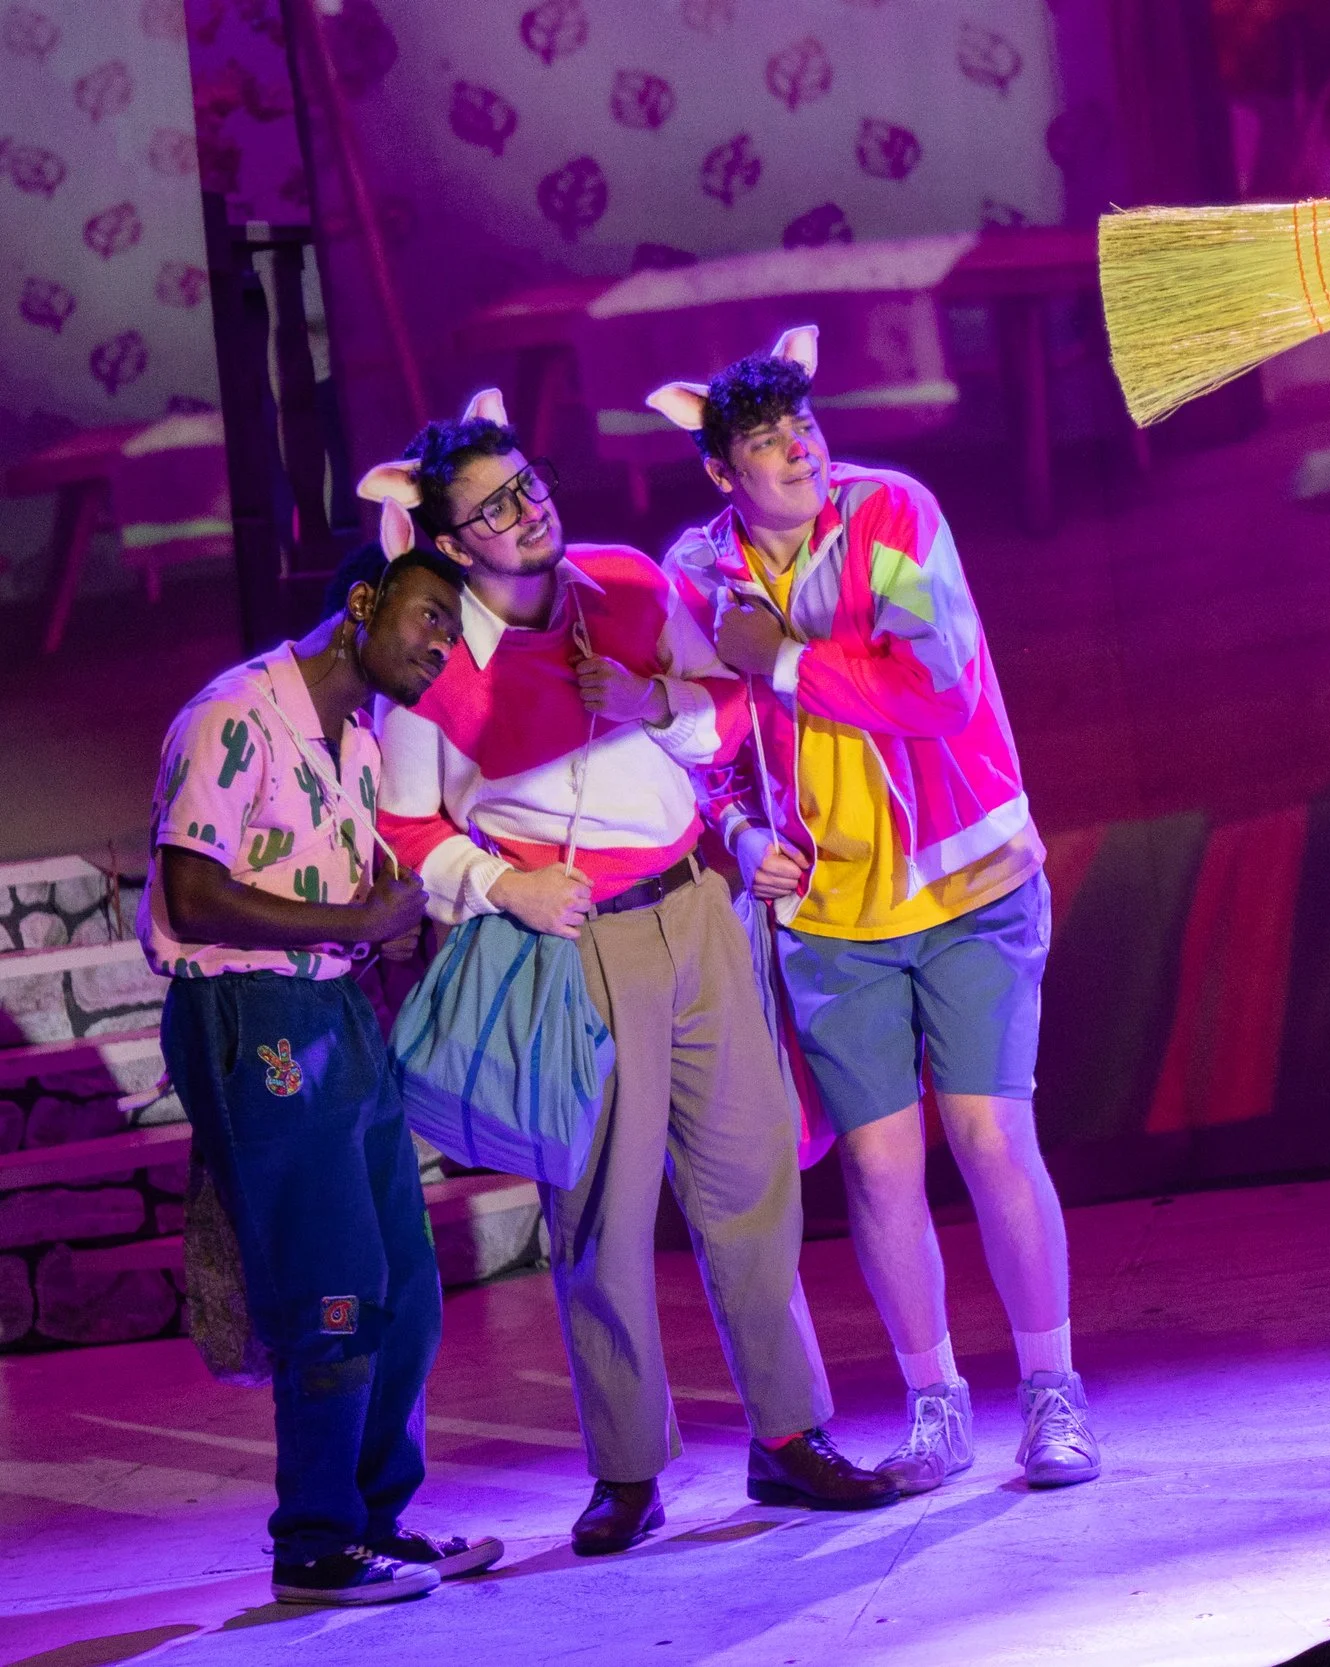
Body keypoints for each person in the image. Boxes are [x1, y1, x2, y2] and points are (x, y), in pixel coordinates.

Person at [363, 390, 899, 1556]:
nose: (528, 508)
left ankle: (790, 1434)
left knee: (752, 1175)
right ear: (453, 543)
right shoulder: (438, 654)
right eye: (495, 504)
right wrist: (503, 887)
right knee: (598, 1208)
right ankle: (626, 1467)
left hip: (691, 905)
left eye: (530, 481)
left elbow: (722, 714)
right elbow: (403, 824)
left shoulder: (625, 581)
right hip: (573, 941)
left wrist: (652, 700)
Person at [647, 326, 1100, 1493]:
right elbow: (699, 735)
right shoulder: (700, 574)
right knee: (881, 1166)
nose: (799, 451)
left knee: (994, 1136)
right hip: (834, 913)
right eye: (766, 440)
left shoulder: (890, 519)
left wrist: (787, 659)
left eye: (804, 426)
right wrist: (741, 832)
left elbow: (938, 682)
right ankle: (934, 1402)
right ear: (720, 470)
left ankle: (1052, 1392)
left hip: (969, 878)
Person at [145, 540, 503, 1605]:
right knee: (334, 1287)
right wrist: (354, 918)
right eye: (432, 616)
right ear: (361, 601)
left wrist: (376, 917)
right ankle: (313, 1538)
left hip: (336, 1009)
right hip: (252, 1011)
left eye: (455, 630)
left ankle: (371, 1519)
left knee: (408, 1284)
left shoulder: (357, 736)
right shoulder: (235, 714)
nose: (444, 644)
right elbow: (193, 895)